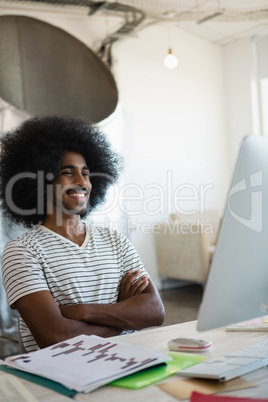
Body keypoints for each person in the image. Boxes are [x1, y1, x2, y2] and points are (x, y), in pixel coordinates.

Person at [0, 115, 165, 352]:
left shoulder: (116, 241)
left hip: (127, 363)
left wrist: (82, 311)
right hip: (59, 379)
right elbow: (55, 337)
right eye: (68, 172)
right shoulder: (22, 252)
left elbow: (155, 312)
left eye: (86, 173)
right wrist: (125, 316)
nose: (82, 182)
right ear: (41, 180)